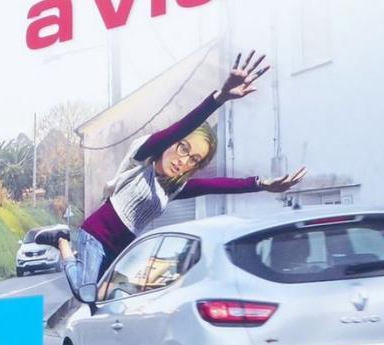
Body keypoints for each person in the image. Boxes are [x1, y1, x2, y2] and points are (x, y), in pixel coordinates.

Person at [44, 51, 308, 302]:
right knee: (85, 294)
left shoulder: (173, 187)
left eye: (194, 160)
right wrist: (218, 99)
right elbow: (180, 127)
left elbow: (217, 186)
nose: (184, 160)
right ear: (171, 143)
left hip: (120, 249)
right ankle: (62, 240)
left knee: (110, 301)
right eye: (184, 148)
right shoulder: (142, 157)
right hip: (96, 236)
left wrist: (262, 184)